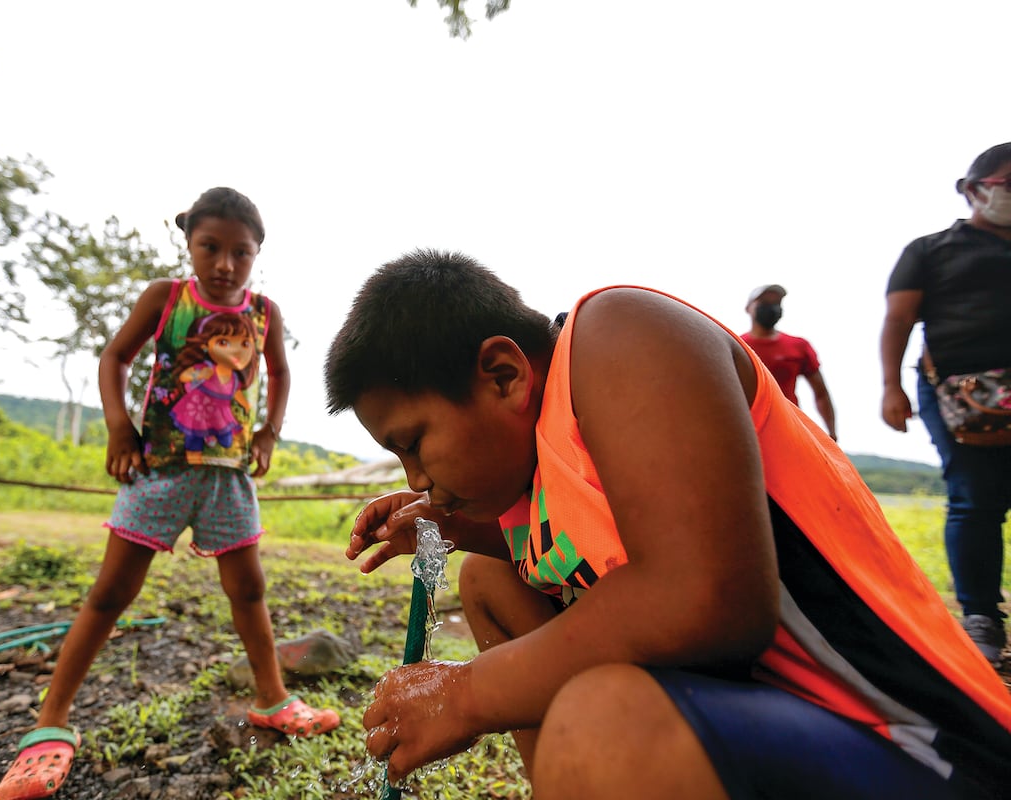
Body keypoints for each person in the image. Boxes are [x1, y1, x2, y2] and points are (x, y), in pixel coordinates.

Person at [325, 249, 1011, 800]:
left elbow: (703, 598)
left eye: (412, 443)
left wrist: (466, 692)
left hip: (924, 748)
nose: (414, 479)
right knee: (492, 582)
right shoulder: (550, 470)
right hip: (785, 735)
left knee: (604, 717)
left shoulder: (623, 333)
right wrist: (449, 527)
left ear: (504, 374)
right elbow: (579, 553)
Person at [0, 187, 339, 800]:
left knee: (250, 590)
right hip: (160, 471)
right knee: (111, 594)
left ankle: (272, 698)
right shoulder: (167, 298)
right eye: (211, 247)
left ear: (257, 254)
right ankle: (49, 726)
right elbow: (114, 357)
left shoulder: (265, 312)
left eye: (241, 252)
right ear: (190, 243)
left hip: (229, 475)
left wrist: (268, 433)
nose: (226, 264)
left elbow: (282, 373)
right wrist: (118, 427)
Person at [880, 142, 1011, 669]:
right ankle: (981, 617)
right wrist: (893, 387)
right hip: (957, 394)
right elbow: (898, 321)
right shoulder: (931, 250)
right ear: (974, 189)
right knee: (976, 496)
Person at [741, 284, 837, 440]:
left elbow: (821, 393)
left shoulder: (798, 346)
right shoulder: (738, 346)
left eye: (776, 304)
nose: (771, 308)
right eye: (764, 303)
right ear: (748, 308)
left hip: (789, 427)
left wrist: (831, 433)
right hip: (749, 430)